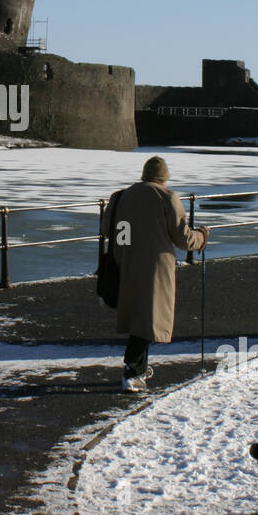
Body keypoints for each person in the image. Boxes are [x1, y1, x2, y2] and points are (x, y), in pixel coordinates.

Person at [103, 155, 208, 392]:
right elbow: (183, 238)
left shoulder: (122, 196)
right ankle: (133, 371)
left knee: (139, 316)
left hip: (126, 263)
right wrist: (202, 236)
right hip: (156, 267)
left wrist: (129, 247)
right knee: (148, 317)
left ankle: (139, 366)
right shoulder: (167, 198)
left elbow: (112, 231)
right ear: (164, 178)